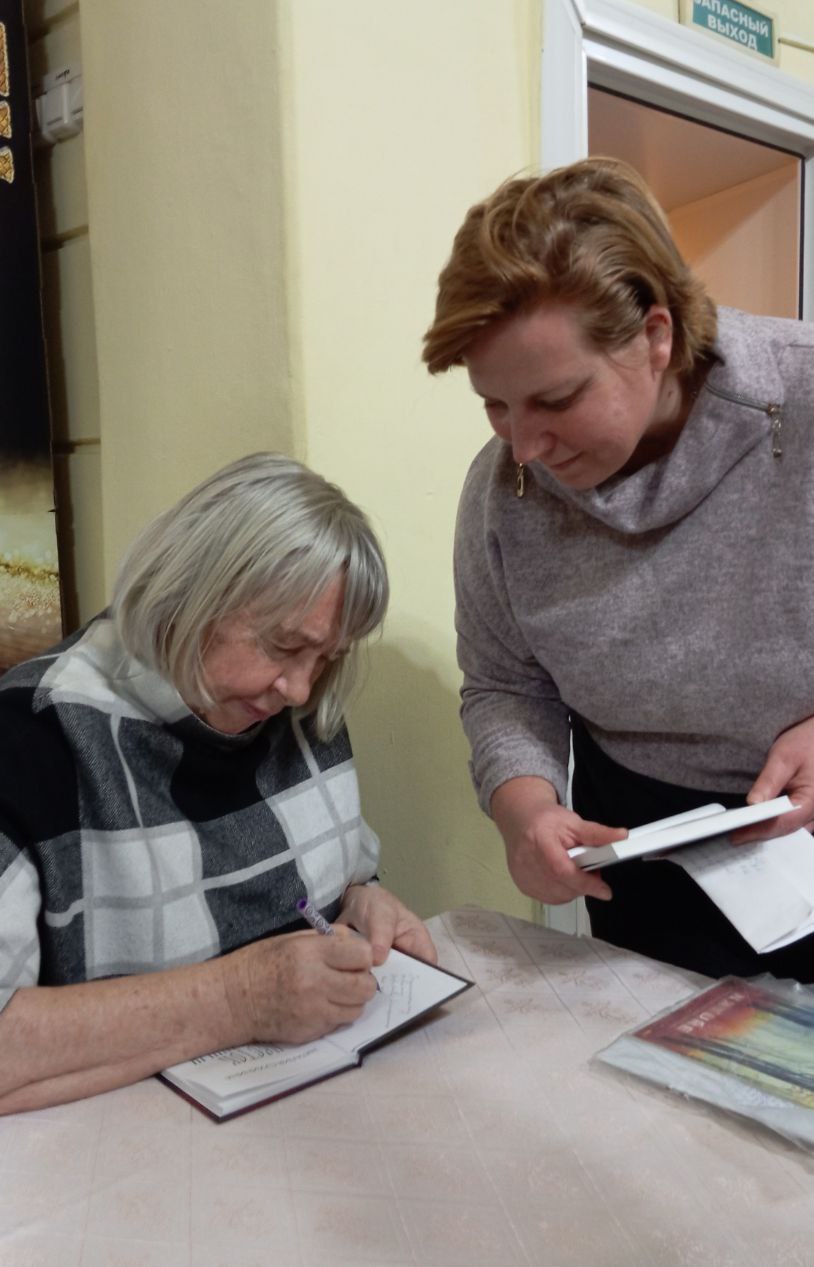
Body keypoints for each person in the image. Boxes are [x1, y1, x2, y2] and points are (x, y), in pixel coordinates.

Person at [422, 155, 814, 981]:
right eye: (495, 404)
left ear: (656, 336)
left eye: (557, 400)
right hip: (640, 848)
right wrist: (524, 808)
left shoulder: (802, 400)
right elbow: (504, 684)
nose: (523, 448)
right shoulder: (501, 494)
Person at [0, 452, 436, 1113]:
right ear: (191, 592)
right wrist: (239, 1000)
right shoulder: (31, 741)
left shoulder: (290, 706)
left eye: (327, 657)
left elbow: (327, 887)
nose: (300, 688)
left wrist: (363, 903)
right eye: (283, 645)